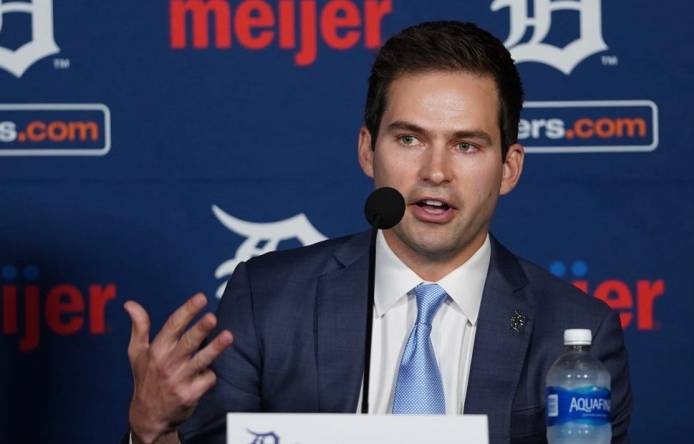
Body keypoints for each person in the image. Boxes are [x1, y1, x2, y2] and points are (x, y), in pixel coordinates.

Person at [123, 21, 632, 444]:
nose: (436, 171)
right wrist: (152, 432)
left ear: (509, 168)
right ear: (368, 150)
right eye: (409, 138)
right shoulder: (267, 300)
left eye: (467, 146)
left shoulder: (576, 332)